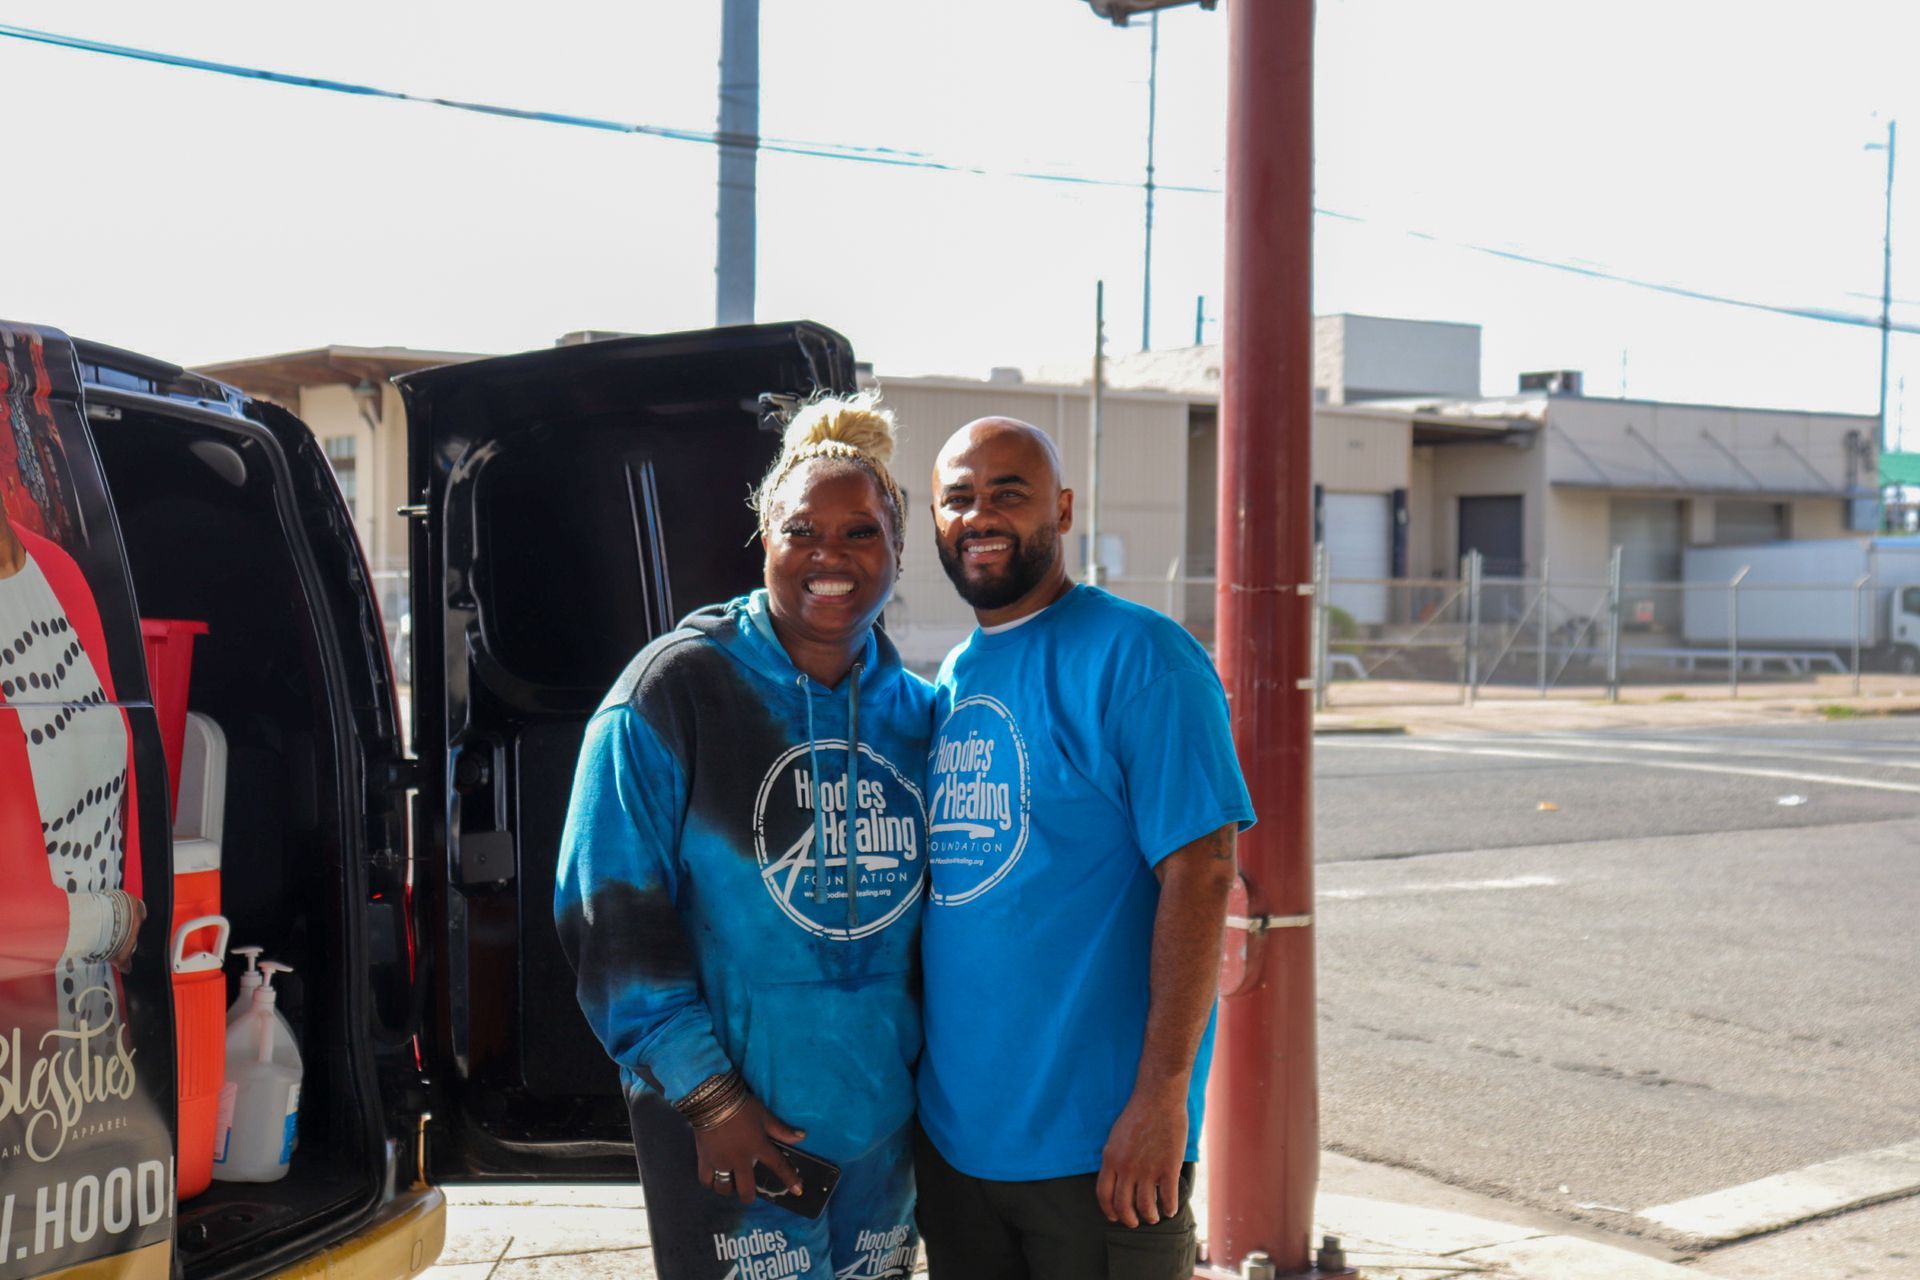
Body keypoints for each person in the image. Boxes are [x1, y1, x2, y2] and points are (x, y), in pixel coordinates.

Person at [555, 392, 932, 1280]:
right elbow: (607, 916)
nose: (829, 557)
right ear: (764, 537)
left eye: (860, 532)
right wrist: (708, 1094)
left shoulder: (919, 717)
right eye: (802, 531)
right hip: (727, 1131)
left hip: (882, 1137)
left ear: (898, 548)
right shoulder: (674, 692)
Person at [913, 417, 1255, 1279]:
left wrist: (1161, 1099)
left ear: (1061, 510)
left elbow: (1204, 872)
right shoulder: (956, 678)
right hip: (958, 1151)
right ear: (937, 521)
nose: (980, 514)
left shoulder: (1142, 657)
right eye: (959, 498)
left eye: (1009, 493)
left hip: (1101, 1152)